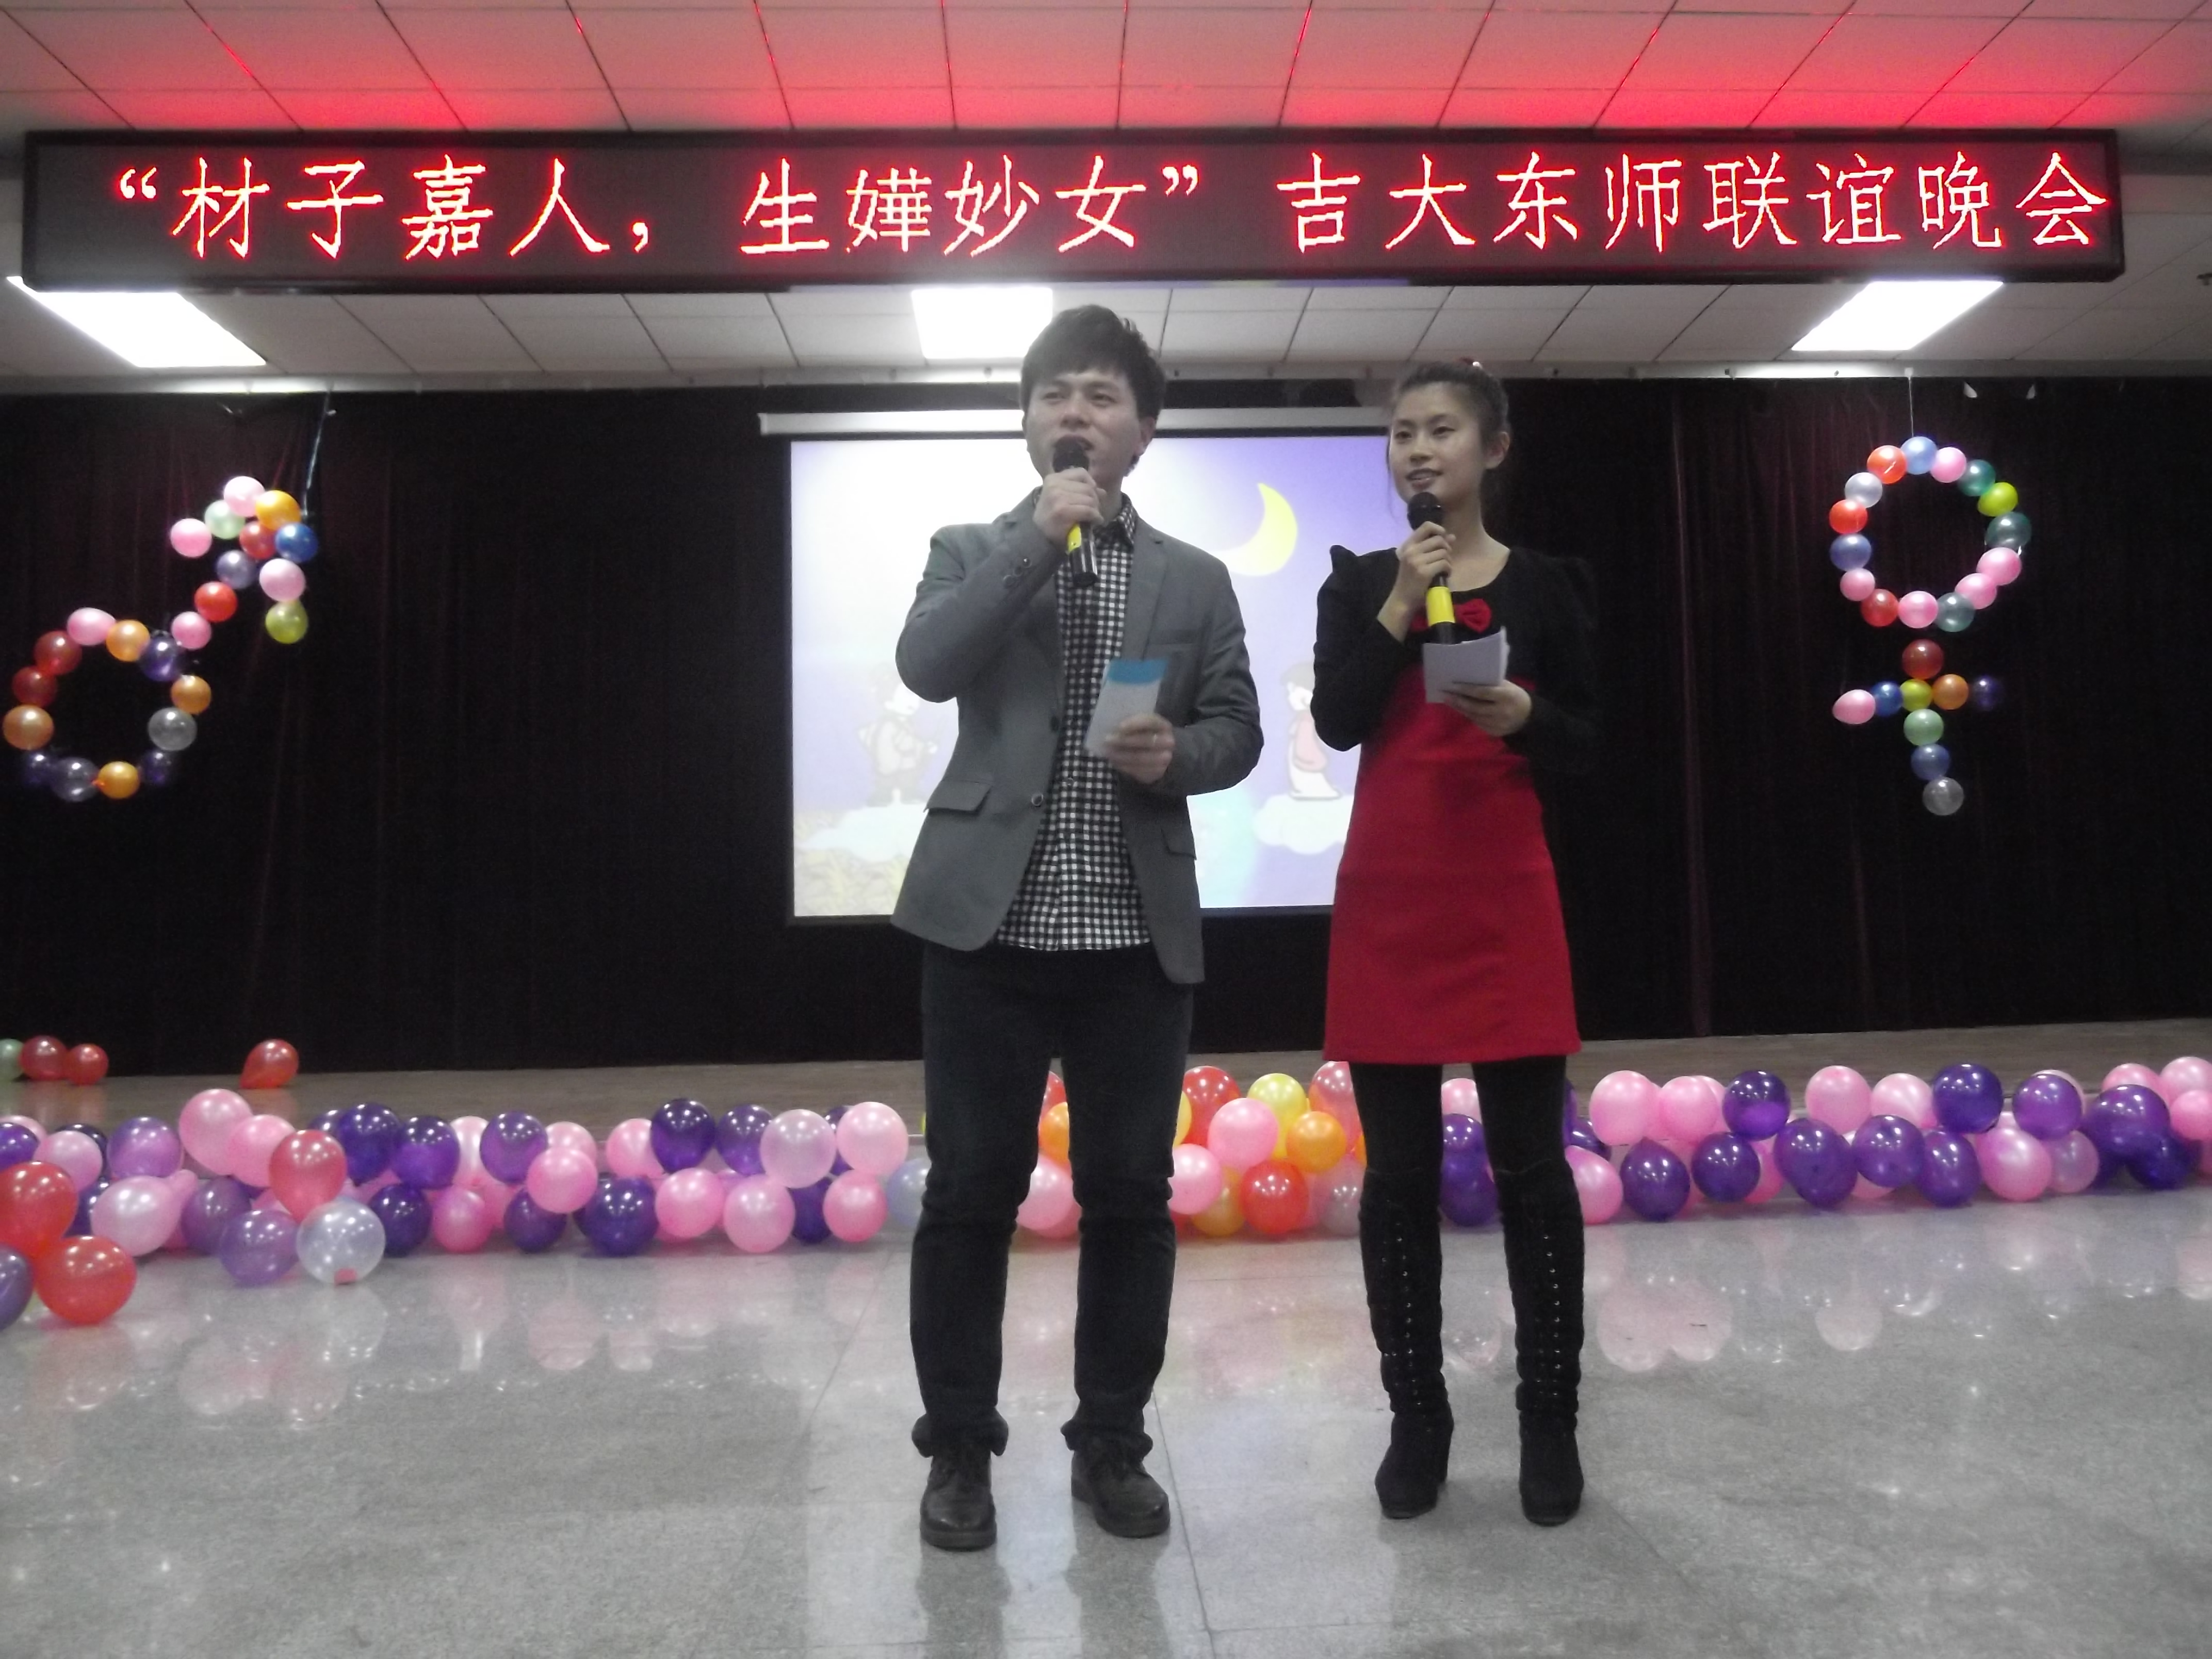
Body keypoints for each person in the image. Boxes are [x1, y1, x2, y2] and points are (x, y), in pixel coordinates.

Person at [893, 305, 1263, 1551]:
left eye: (1101, 396)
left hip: (1130, 944)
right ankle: (957, 1449)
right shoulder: (970, 548)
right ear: (1027, 421)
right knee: (969, 1198)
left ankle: (1110, 1442)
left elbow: (1237, 727)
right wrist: (1037, 541)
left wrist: (1179, 756)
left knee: (1128, 1200)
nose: (1074, 413)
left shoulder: (1194, 579)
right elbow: (928, 666)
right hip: (985, 935)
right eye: (1054, 394)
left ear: (1141, 430)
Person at [1310, 362, 1598, 1526]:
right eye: (1401, 434)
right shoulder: (1357, 585)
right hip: (1391, 895)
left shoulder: (1549, 586)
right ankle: (1416, 1419)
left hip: (1504, 896)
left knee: (1533, 1173)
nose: (1418, 450)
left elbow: (1595, 743)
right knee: (1397, 1181)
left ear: (1493, 449)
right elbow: (1336, 721)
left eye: (1440, 430)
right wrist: (1397, 606)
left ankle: (1548, 1418)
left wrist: (1529, 717)